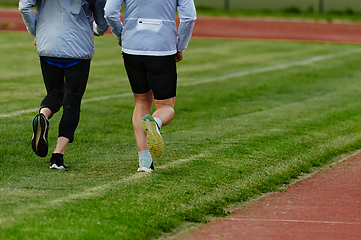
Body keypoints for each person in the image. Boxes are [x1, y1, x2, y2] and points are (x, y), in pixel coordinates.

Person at [105, 0, 196, 172]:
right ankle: (156, 123)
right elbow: (189, 17)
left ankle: (144, 162)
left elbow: (110, 12)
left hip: (132, 48)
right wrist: (180, 46)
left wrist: (120, 35)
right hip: (162, 48)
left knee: (141, 102)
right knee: (166, 107)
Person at [19, 0, 109, 169]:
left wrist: (35, 31)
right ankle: (57, 156)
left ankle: (43, 117)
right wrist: (98, 30)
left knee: (54, 94)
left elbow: (24, 5)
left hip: (48, 44)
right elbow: (103, 20)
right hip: (78, 48)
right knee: (72, 102)